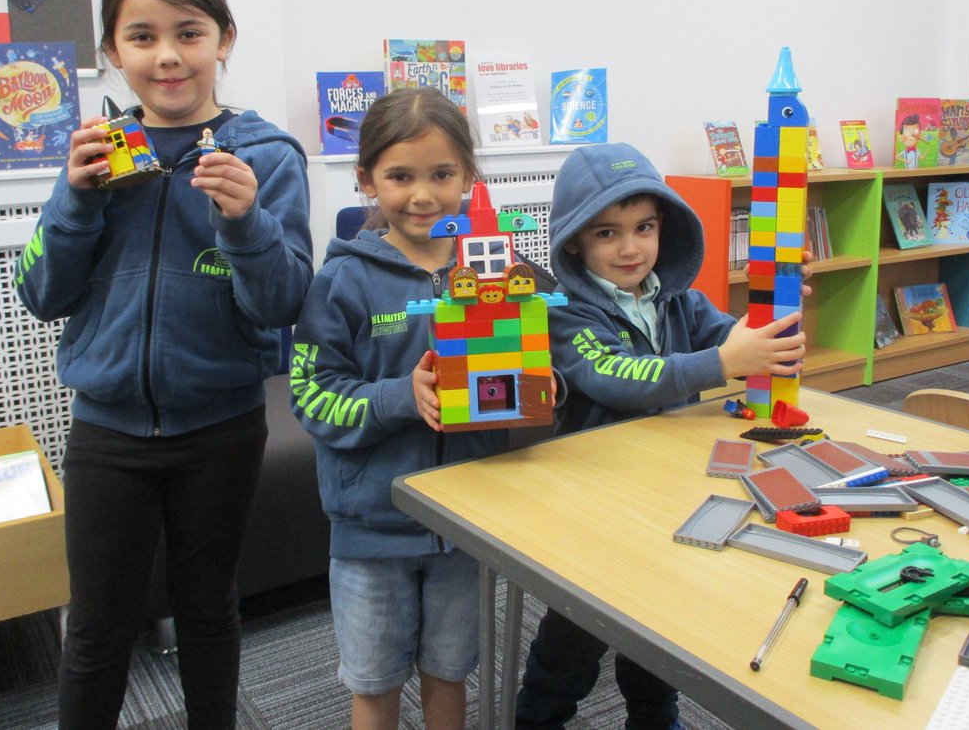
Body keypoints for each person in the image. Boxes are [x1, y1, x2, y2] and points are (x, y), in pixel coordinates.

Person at [15, 0, 313, 730]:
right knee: (96, 625)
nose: (169, 55)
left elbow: (284, 303)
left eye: (190, 31)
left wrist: (246, 222)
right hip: (107, 430)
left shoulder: (266, 155)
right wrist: (74, 201)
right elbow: (41, 294)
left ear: (225, 40)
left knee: (208, 608)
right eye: (142, 36)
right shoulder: (95, 152)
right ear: (113, 52)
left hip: (220, 425)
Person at [516, 142, 809, 730]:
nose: (630, 248)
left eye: (643, 227)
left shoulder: (678, 299)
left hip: (666, 493)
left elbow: (732, 339)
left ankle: (655, 719)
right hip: (597, 508)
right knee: (573, 642)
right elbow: (619, 378)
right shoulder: (567, 313)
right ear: (574, 241)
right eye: (607, 234)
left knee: (657, 635)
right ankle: (536, 720)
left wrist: (767, 327)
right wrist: (725, 361)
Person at [291, 87, 504, 730]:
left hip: (465, 522)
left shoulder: (492, 269)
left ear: (468, 174)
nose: (423, 195)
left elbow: (536, 368)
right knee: (375, 684)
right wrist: (399, 397)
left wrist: (541, 385)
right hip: (371, 530)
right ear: (366, 181)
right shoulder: (342, 280)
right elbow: (312, 396)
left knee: (450, 673)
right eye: (400, 176)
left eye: (442, 174)